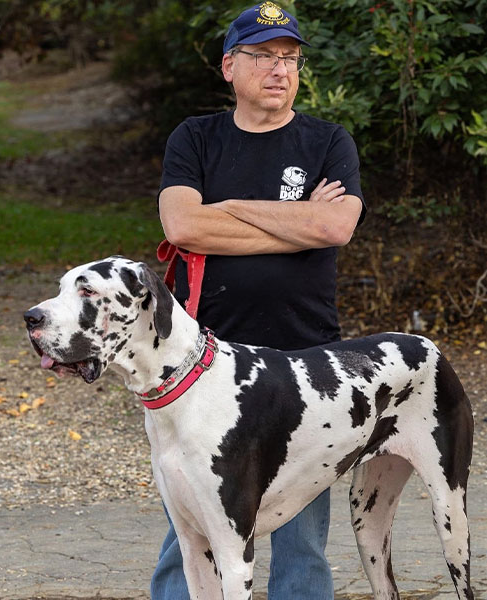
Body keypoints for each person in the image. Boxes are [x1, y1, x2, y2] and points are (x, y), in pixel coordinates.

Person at [151, 2, 365, 597]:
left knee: (301, 529)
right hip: (207, 365)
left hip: (306, 357)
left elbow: (334, 229)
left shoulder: (327, 140)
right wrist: (297, 219)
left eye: (290, 58)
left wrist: (227, 209)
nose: (280, 69)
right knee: (193, 518)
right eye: (264, 55)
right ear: (228, 66)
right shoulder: (196, 137)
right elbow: (183, 229)